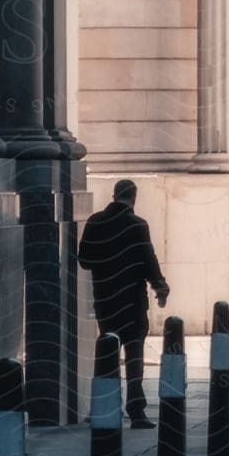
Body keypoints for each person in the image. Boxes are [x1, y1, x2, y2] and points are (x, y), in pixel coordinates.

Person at [76, 178, 170, 428]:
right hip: (133, 301)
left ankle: (102, 407)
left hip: (105, 299)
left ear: (114, 194)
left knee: (107, 351)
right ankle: (136, 412)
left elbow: (84, 259)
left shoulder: (96, 222)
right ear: (134, 198)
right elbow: (149, 259)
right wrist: (160, 286)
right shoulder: (138, 225)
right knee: (134, 354)